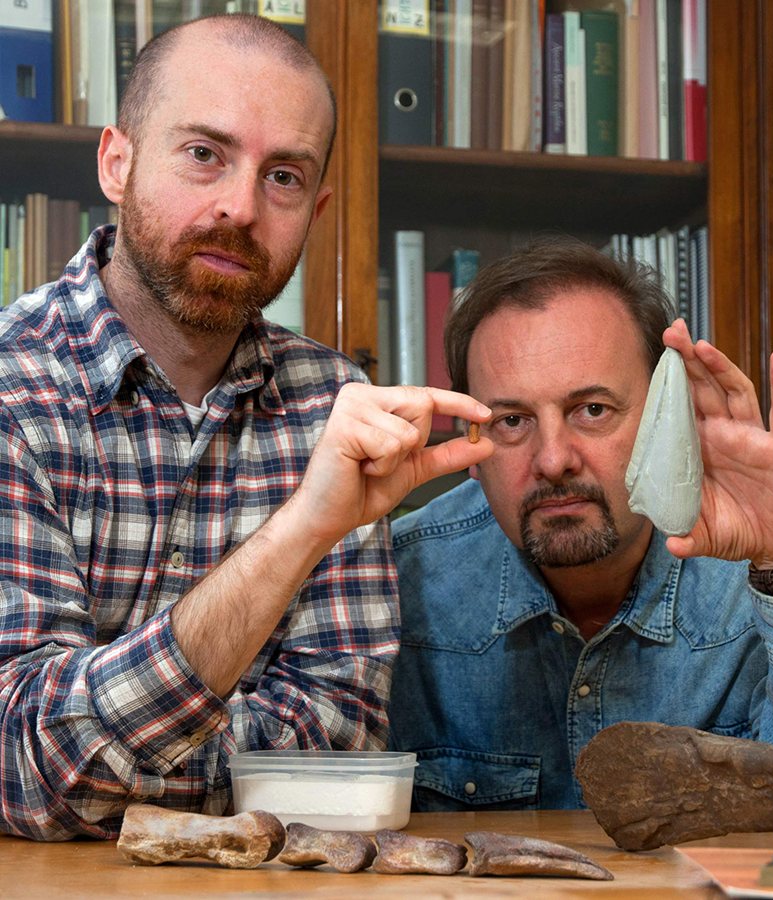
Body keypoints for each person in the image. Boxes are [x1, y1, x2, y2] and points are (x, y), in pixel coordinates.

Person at [0, 15, 492, 840]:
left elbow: (339, 747)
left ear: (317, 206)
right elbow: (20, 765)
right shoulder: (13, 387)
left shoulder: (336, 402)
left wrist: (112, 760)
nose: (240, 207)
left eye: (285, 177)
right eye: (204, 155)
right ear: (116, 162)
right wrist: (304, 527)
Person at [388, 236, 773, 812]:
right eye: (511, 420)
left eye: (592, 411)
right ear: (470, 443)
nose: (553, 459)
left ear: (664, 418)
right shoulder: (402, 580)